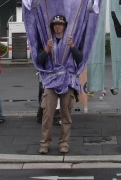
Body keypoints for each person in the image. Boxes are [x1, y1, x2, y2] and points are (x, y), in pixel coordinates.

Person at [36, 15, 82, 154]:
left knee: (66, 115)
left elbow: (80, 59)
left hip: (67, 82)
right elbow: (39, 60)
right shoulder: (47, 41)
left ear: (64, 26)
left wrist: (72, 46)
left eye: (60, 24)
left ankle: (64, 143)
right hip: (50, 82)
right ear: (52, 26)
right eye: (55, 24)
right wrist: (47, 49)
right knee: (47, 115)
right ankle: (45, 143)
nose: (57, 26)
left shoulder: (70, 40)